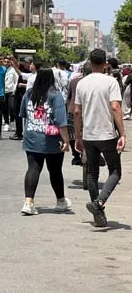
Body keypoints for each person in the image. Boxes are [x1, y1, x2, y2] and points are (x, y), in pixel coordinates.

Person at [75, 49, 126, 228]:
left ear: (89, 62)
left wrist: (78, 136)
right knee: (115, 171)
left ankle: (99, 212)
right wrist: (123, 133)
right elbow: (115, 107)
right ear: (105, 64)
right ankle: (99, 203)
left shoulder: (82, 83)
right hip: (107, 134)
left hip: (89, 134)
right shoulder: (111, 81)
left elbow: (77, 111)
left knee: (92, 173)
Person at [19, 69, 71, 216]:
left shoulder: (29, 94)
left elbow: (23, 113)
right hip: (51, 139)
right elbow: (61, 121)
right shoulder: (55, 95)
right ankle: (60, 201)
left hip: (31, 136)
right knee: (55, 170)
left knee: (33, 168)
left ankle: (28, 202)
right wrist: (66, 140)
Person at [66, 64, 91, 166]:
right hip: (89, 112)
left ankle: (76, 156)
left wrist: (68, 109)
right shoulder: (94, 82)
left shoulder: (74, 81)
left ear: (82, 71)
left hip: (73, 111)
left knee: (72, 135)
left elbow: (68, 97)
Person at [3, 57, 18, 133]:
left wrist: (14, 90)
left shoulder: (13, 70)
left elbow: (16, 80)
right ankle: (6, 123)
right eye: (5, 61)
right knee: (4, 108)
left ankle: (12, 121)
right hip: (3, 91)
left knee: (11, 107)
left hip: (11, 91)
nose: (6, 63)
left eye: (7, 62)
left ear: (10, 62)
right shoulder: (2, 70)